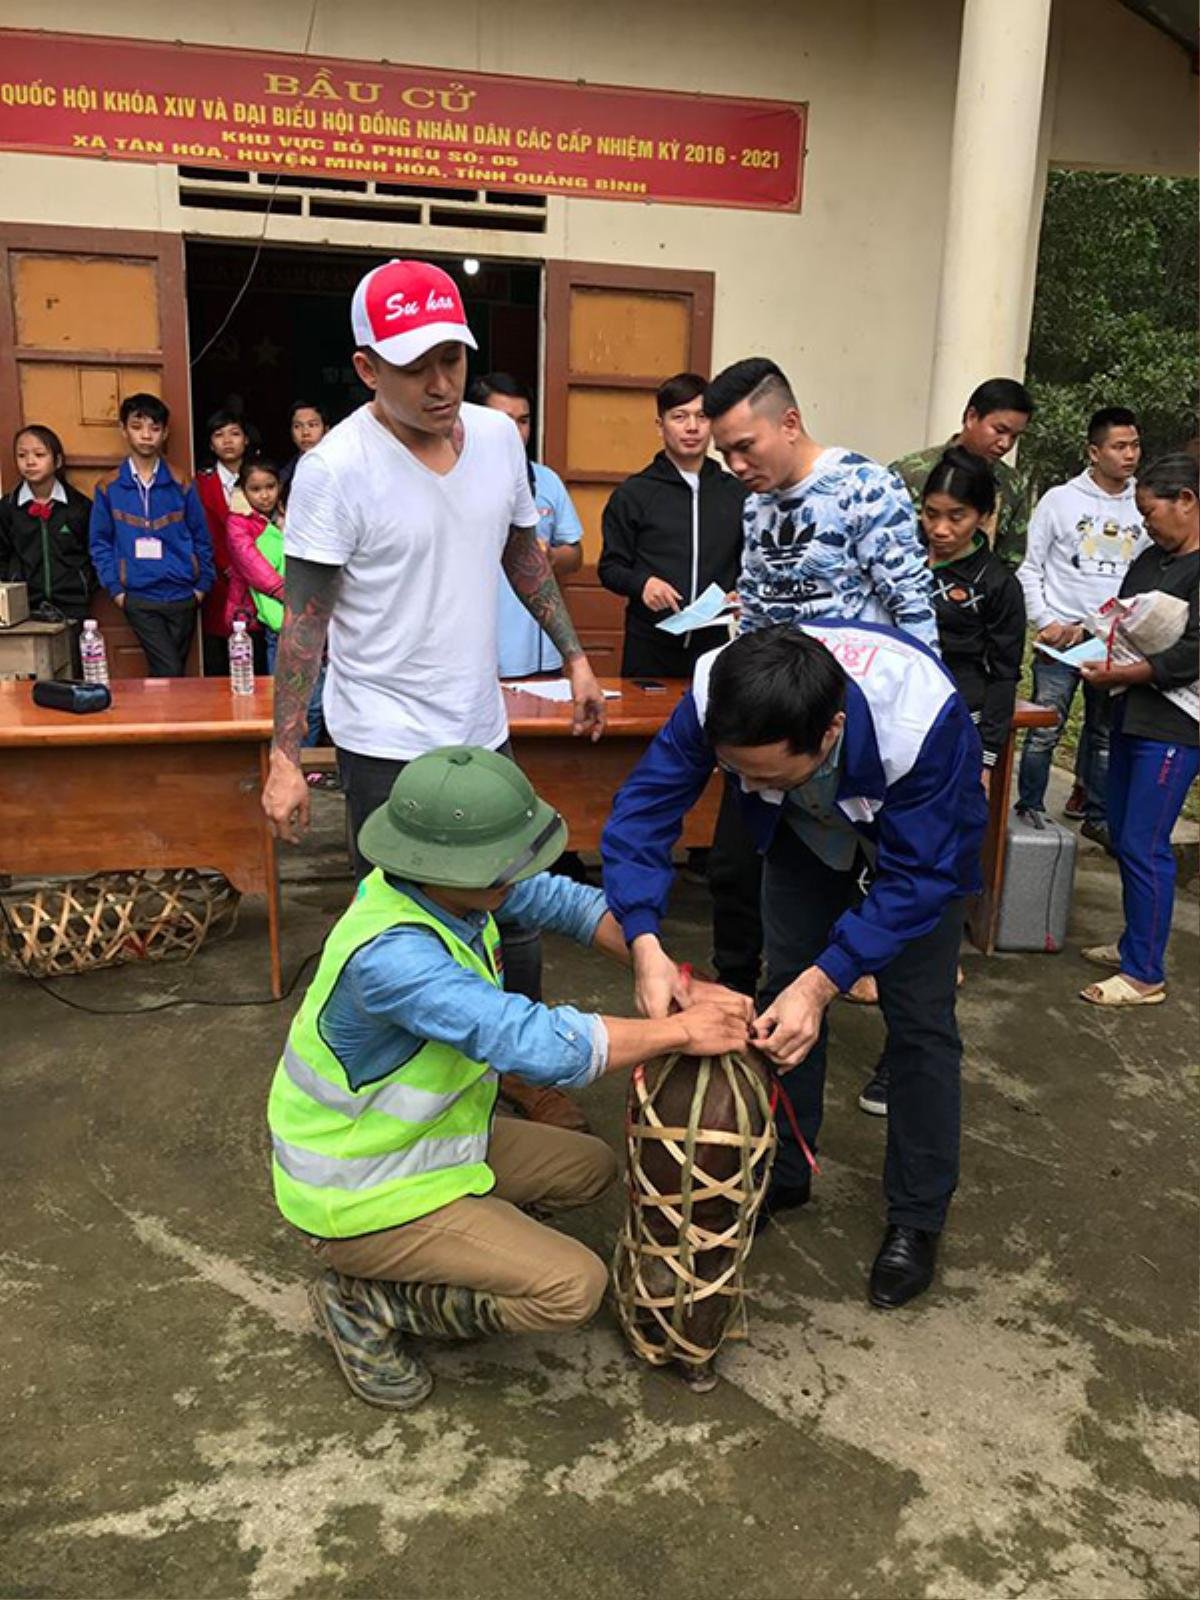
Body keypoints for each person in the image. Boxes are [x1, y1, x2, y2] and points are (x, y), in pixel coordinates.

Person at [269, 746, 750, 1409]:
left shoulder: (440, 889)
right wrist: (678, 1031)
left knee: (590, 1168)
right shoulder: (393, 958)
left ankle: (467, 1247)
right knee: (572, 1288)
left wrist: (667, 971)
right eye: (505, 865)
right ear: (444, 864)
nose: (522, 875)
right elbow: (534, 1043)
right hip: (355, 1194)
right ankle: (365, 1300)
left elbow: (567, 904)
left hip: (422, 1150)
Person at [261, 257, 606, 1127]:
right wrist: (285, 755)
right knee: (409, 933)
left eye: (452, 357)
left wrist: (576, 659)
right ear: (368, 366)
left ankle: (517, 1073)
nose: (440, 382)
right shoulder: (336, 469)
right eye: (415, 365)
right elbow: (305, 622)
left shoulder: (496, 438)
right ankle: (422, 1096)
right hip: (382, 740)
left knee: (515, 908)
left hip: (478, 727)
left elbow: (522, 554)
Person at [602, 622, 988, 1309]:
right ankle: (786, 1165)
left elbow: (921, 878)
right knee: (782, 993)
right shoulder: (716, 692)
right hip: (802, 834)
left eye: (766, 773)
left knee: (921, 1023)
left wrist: (829, 977)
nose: (748, 783)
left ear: (832, 731)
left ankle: (918, 1215)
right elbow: (643, 812)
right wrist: (644, 941)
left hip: (912, 842)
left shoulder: (922, 720)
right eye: (737, 772)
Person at [701, 357, 938, 1001]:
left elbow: (914, 611)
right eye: (726, 454)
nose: (737, 466)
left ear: (791, 422)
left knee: (894, 887)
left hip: (858, 733)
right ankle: (766, 1010)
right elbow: (754, 610)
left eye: (745, 447)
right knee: (752, 871)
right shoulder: (756, 509)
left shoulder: (866, 488)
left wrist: (928, 734)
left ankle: (901, 1032)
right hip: (777, 725)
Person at [856, 448, 1024, 1118]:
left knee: (927, 902)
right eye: (931, 514)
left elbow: (1006, 675)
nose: (941, 528)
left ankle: (899, 1059)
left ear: (984, 518)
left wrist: (984, 761)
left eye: (956, 516)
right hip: (885, 749)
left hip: (952, 755)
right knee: (873, 880)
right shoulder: (898, 566)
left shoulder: (996, 584)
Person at [1077, 452, 1198, 1007]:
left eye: (1152, 512)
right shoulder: (1151, 559)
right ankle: (1134, 943)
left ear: (1187, 502)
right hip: (1127, 711)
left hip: (1175, 725)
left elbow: (1193, 653)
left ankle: (1145, 973)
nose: (1147, 524)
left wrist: (1128, 671)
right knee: (1124, 831)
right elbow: (1120, 616)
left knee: (1146, 843)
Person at [1015, 407, 1145, 848]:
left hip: (1114, 643)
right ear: (1094, 451)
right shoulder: (1060, 500)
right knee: (1044, 728)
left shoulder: (1143, 503)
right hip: (1060, 641)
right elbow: (1030, 569)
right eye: (1119, 446)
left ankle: (1098, 814)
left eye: (1135, 445)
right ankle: (1029, 807)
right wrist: (1047, 623)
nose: (1130, 455)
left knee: (1104, 733)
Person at [598, 372, 746, 679]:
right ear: (660, 425)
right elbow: (611, 567)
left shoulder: (737, 493)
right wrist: (643, 584)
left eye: (702, 417)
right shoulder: (634, 494)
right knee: (646, 725)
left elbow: (749, 563)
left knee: (712, 723)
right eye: (679, 417)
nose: (692, 427)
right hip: (649, 646)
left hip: (714, 646)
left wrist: (741, 592)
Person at [467, 373, 584, 679]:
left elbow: (575, 554)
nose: (516, 433)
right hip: (473, 659)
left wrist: (551, 558)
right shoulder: (452, 479)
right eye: (505, 422)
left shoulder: (546, 481)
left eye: (524, 421)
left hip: (539, 659)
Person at [89, 394, 214, 677]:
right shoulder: (109, 487)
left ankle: (164, 721)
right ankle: (165, 721)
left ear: (165, 433)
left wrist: (201, 587)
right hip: (139, 597)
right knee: (169, 669)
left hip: (184, 594)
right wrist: (117, 591)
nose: (146, 435)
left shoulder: (181, 481)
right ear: (124, 430)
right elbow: (100, 543)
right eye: (137, 426)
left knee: (170, 674)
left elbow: (201, 537)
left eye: (154, 428)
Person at [892, 378, 1034, 566]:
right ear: (971, 417)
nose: (1005, 444)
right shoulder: (909, 474)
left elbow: (1010, 559)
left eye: (1014, 436)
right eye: (999, 430)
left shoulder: (1011, 484)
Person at [0, 425, 95, 653]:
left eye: (39, 455)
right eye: (22, 455)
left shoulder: (79, 507)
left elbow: (94, 551)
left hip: (72, 607)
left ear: (58, 461)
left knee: (73, 671)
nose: (30, 462)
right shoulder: (7, 509)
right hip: (24, 608)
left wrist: (83, 584)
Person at [194, 408, 253, 676]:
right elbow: (198, 531)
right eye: (219, 435)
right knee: (218, 656)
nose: (228, 441)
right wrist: (223, 564)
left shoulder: (260, 479)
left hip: (255, 581)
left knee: (256, 651)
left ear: (246, 440)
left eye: (235, 434)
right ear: (210, 443)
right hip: (217, 580)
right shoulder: (201, 482)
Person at [280, 401, 330, 498]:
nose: (305, 433)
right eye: (297, 426)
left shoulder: (339, 465)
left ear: (326, 430)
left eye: (312, 425)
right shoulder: (286, 473)